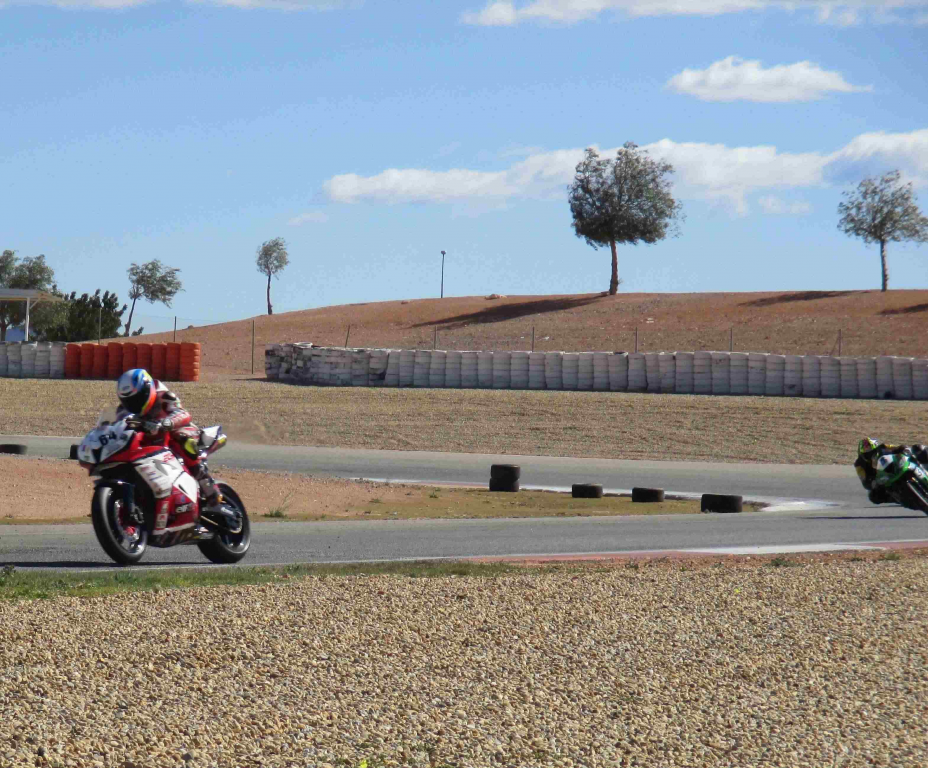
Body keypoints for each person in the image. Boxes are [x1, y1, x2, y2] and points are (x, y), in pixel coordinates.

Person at [115, 368, 225, 528]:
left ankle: (210, 489)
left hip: (179, 431)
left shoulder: (163, 396)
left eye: (138, 398)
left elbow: (183, 414)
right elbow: (118, 428)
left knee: (181, 439)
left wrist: (165, 423)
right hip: (153, 444)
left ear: (147, 389)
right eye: (130, 400)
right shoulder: (123, 410)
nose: (134, 404)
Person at [855, 437, 928, 504]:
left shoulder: (883, 447)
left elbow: (898, 447)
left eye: (873, 452)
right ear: (861, 454)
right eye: (867, 454)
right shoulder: (859, 465)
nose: (870, 455)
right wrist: (873, 482)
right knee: (873, 496)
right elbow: (865, 482)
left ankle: (924, 470)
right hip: (883, 479)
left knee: (917, 448)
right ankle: (899, 499)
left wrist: (903, 449)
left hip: (897, 466)